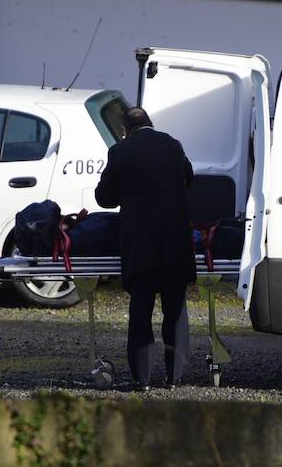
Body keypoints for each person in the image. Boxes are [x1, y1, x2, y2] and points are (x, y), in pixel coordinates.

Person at [95, 107, 195, 391]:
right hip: (175, 243)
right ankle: (174, 377)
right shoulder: (173, 145)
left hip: (140, 246)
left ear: (124, 130)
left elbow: (104, 198)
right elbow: (189, 178)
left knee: (141, 313)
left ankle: (142, 379)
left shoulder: (120, 151)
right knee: (175, 312)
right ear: (151, 124)